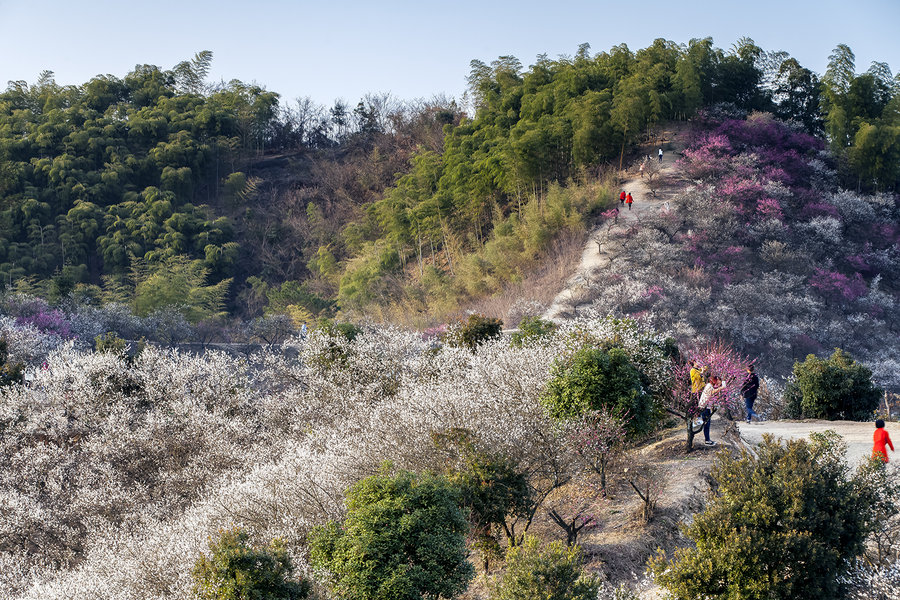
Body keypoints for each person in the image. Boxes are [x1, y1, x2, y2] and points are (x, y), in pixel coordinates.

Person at [698, 375, 726, 447]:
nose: (719, 382)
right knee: (707, 424)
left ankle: (708, 440)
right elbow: (712, 392)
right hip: (704, 407)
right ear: (715, 380)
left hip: (706, 407)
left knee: (707, 424)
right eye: (719, 380)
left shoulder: (710, 386)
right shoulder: (709, 386)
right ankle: (707, 440)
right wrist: (721, 387)